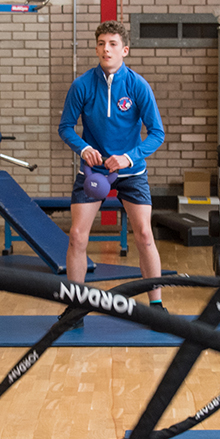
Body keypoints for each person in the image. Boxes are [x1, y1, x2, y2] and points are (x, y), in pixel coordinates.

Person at [58, 21, 165, 323]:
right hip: (93, 172)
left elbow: (157, 133)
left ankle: (156, 306)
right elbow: (65, 127)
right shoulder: (82, 85)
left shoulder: (137, 86)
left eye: (113, 44)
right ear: (96, 48)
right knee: (78, 236)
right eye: (102, 43)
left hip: (131, 172)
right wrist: (83, 148)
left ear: (125, 49)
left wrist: (129, 158)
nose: (106, 49)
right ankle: (76, 304)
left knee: (144, 235)